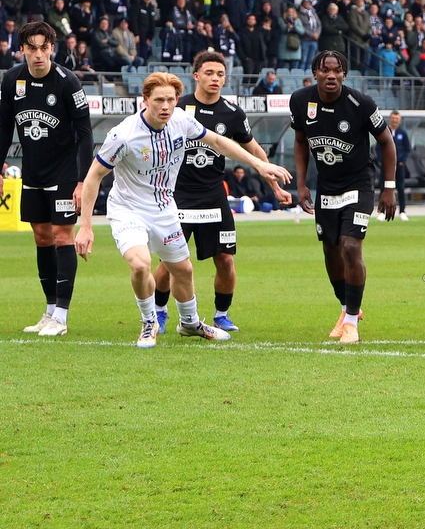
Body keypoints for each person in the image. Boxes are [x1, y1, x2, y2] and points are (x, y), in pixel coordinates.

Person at [74, 72, 292, 348]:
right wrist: (86, 226)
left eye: (170, 100)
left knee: (184, 270)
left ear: (177, 100)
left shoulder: (181, 121)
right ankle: (149, 322)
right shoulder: (123, 135)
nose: (165, 106)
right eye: (158, 100)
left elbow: (216, 141)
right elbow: (94, 176)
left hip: (165, 208)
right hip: (128, 209)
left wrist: (259, 165)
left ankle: (190, 323)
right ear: (145, 101)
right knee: (141, 264)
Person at [152, 51, 291, 336]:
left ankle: (221, 315)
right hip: (178, 196)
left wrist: (274, 184)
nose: (215, 78)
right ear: (196, 76)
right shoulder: (178, 108)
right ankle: (159, 312)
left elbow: (253, 150)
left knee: (226, 260)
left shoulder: (232, 113)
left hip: (214, 197)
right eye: (209, 73)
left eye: (220, 74)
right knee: (169, 263)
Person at [292, 50, 397, 344]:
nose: (331, 75)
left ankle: (351, 322)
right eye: (325, 70)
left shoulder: (360, 103)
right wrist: (301, 185)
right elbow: (300, 142)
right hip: (326, 187)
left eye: (337, 70)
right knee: (331, 251)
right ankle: (347, 308)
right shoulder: (300, 101)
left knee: (351, 247)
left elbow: (386, 142)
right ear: (316, 73)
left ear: (344, 75)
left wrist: (389, 187)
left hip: (359, 184)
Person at [0, 21, 94, 337]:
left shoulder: (68, 83)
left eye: (44, 47)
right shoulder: (12, 80)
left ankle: (62, 317)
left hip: (65, 172)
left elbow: (84, 135)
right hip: (33, 172)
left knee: (63, 236)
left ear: (52, 48)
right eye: (32, 47)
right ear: (22, 49)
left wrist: (82, 180)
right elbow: (3, 127)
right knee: (41, 237)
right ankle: (50, 310)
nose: (38, 54)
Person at [383, 109, 410, 222]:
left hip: (399, 166)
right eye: (393, 118)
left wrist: (402, 161)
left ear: (400, 120)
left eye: (397, 119)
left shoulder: (402, 133)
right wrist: (383, 161)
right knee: (384, 187)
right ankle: (382, 211)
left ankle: (402, 211)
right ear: (390, 119)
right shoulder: (385, 131)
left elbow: (407, 148)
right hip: (386, 166)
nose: (395, 120)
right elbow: (379, 148)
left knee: (401, 188)